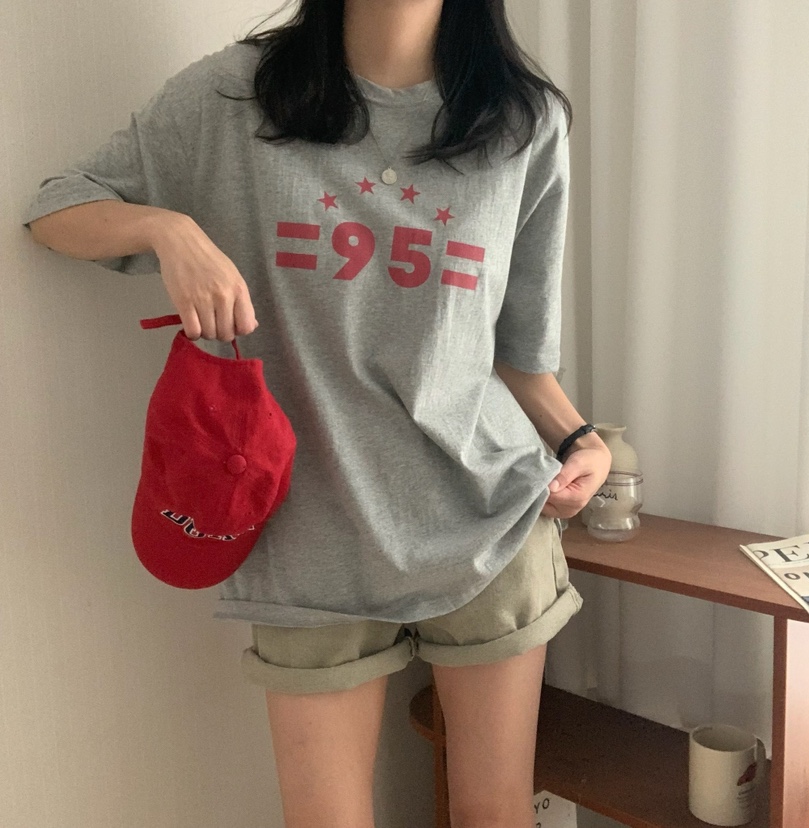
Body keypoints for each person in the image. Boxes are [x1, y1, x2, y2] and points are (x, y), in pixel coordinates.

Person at [23, 1, 612, 826]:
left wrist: (580, 439)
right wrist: (167, 228)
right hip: (311, 531)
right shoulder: (237, 95)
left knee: (494, 811)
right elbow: (56, 209)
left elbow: (515, 348)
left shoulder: (521, 120)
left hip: (488, 518)